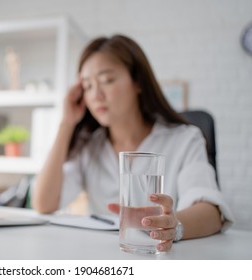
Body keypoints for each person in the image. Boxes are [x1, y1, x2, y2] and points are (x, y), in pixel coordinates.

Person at [31, 34, 233, 252]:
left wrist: (171, 225)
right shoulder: (90, 146)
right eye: (88, 86)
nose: (96, 95)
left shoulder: (185, 139)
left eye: (107, 80)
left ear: (137, 82)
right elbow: (44, 204)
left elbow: (212, 212)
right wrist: (66, 123)